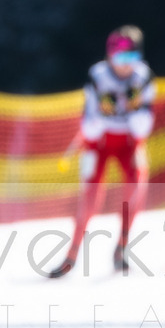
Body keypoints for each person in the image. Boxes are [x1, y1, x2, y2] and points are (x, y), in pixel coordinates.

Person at [49, 25, 155, 277]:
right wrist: (103, 113)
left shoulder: (143, 78)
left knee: (137, 187)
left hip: (129, 143)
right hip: (100, 144)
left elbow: (143, 128)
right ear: (109, 56)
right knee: (90, 198)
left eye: (131, 57)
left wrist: (134, 108)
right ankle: (71, 256)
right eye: (119, 57)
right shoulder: (97, 77)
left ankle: (121, 248)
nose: (125, 65)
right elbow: (89, 128)